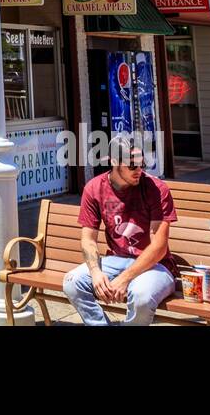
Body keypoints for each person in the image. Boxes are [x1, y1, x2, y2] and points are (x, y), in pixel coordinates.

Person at [62, 135, 178, 325]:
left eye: (142, 165)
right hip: (116, 260)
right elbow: (88, 239)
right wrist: (96, 272)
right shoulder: (94, 188)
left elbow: (159, 247)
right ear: (114, 161)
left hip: (156, 265)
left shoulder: (157, 189)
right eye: (132, 165)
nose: (139, 171)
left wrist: (125, 279)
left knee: (140, 295)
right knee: (72, 283)